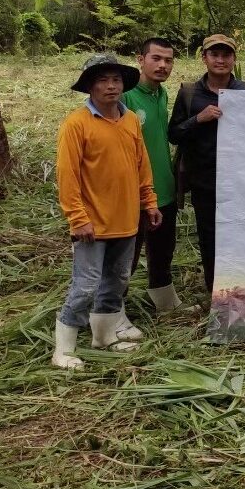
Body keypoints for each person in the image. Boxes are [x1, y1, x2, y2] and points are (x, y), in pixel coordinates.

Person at [53, 55, 161, 369]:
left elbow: (142, 167)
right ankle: (63, 349)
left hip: (126, 220)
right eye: (102, 80)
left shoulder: (130, 121)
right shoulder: (77, 123)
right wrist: (77, 217)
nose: (110, 86)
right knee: (85, 285)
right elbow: (67, 174)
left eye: (115, 79)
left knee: (116, 281)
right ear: (89, 86)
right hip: (91, 223)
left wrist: (149, 202)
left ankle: (104, 336)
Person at [168, 34, 245, 293]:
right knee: (210, 237)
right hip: (205, 181)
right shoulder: (189, 94)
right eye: (214, 54)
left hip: (243, 181)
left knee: (244, 233)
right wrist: (198, 119)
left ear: (233, 59)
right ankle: (217, 292)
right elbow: (173, 134)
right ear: (204, 58)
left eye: (226, 55)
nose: (220, 60)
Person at [122, 37, 187, 318]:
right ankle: (112, 311)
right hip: (134, 193)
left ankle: (165, 302)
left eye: (168, 60)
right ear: (140, 59)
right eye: (156, 58)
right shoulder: (124, 95)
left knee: (163, 251)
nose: (163, 65)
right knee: (127, 257)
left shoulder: (161, 94)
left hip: (164, 189)